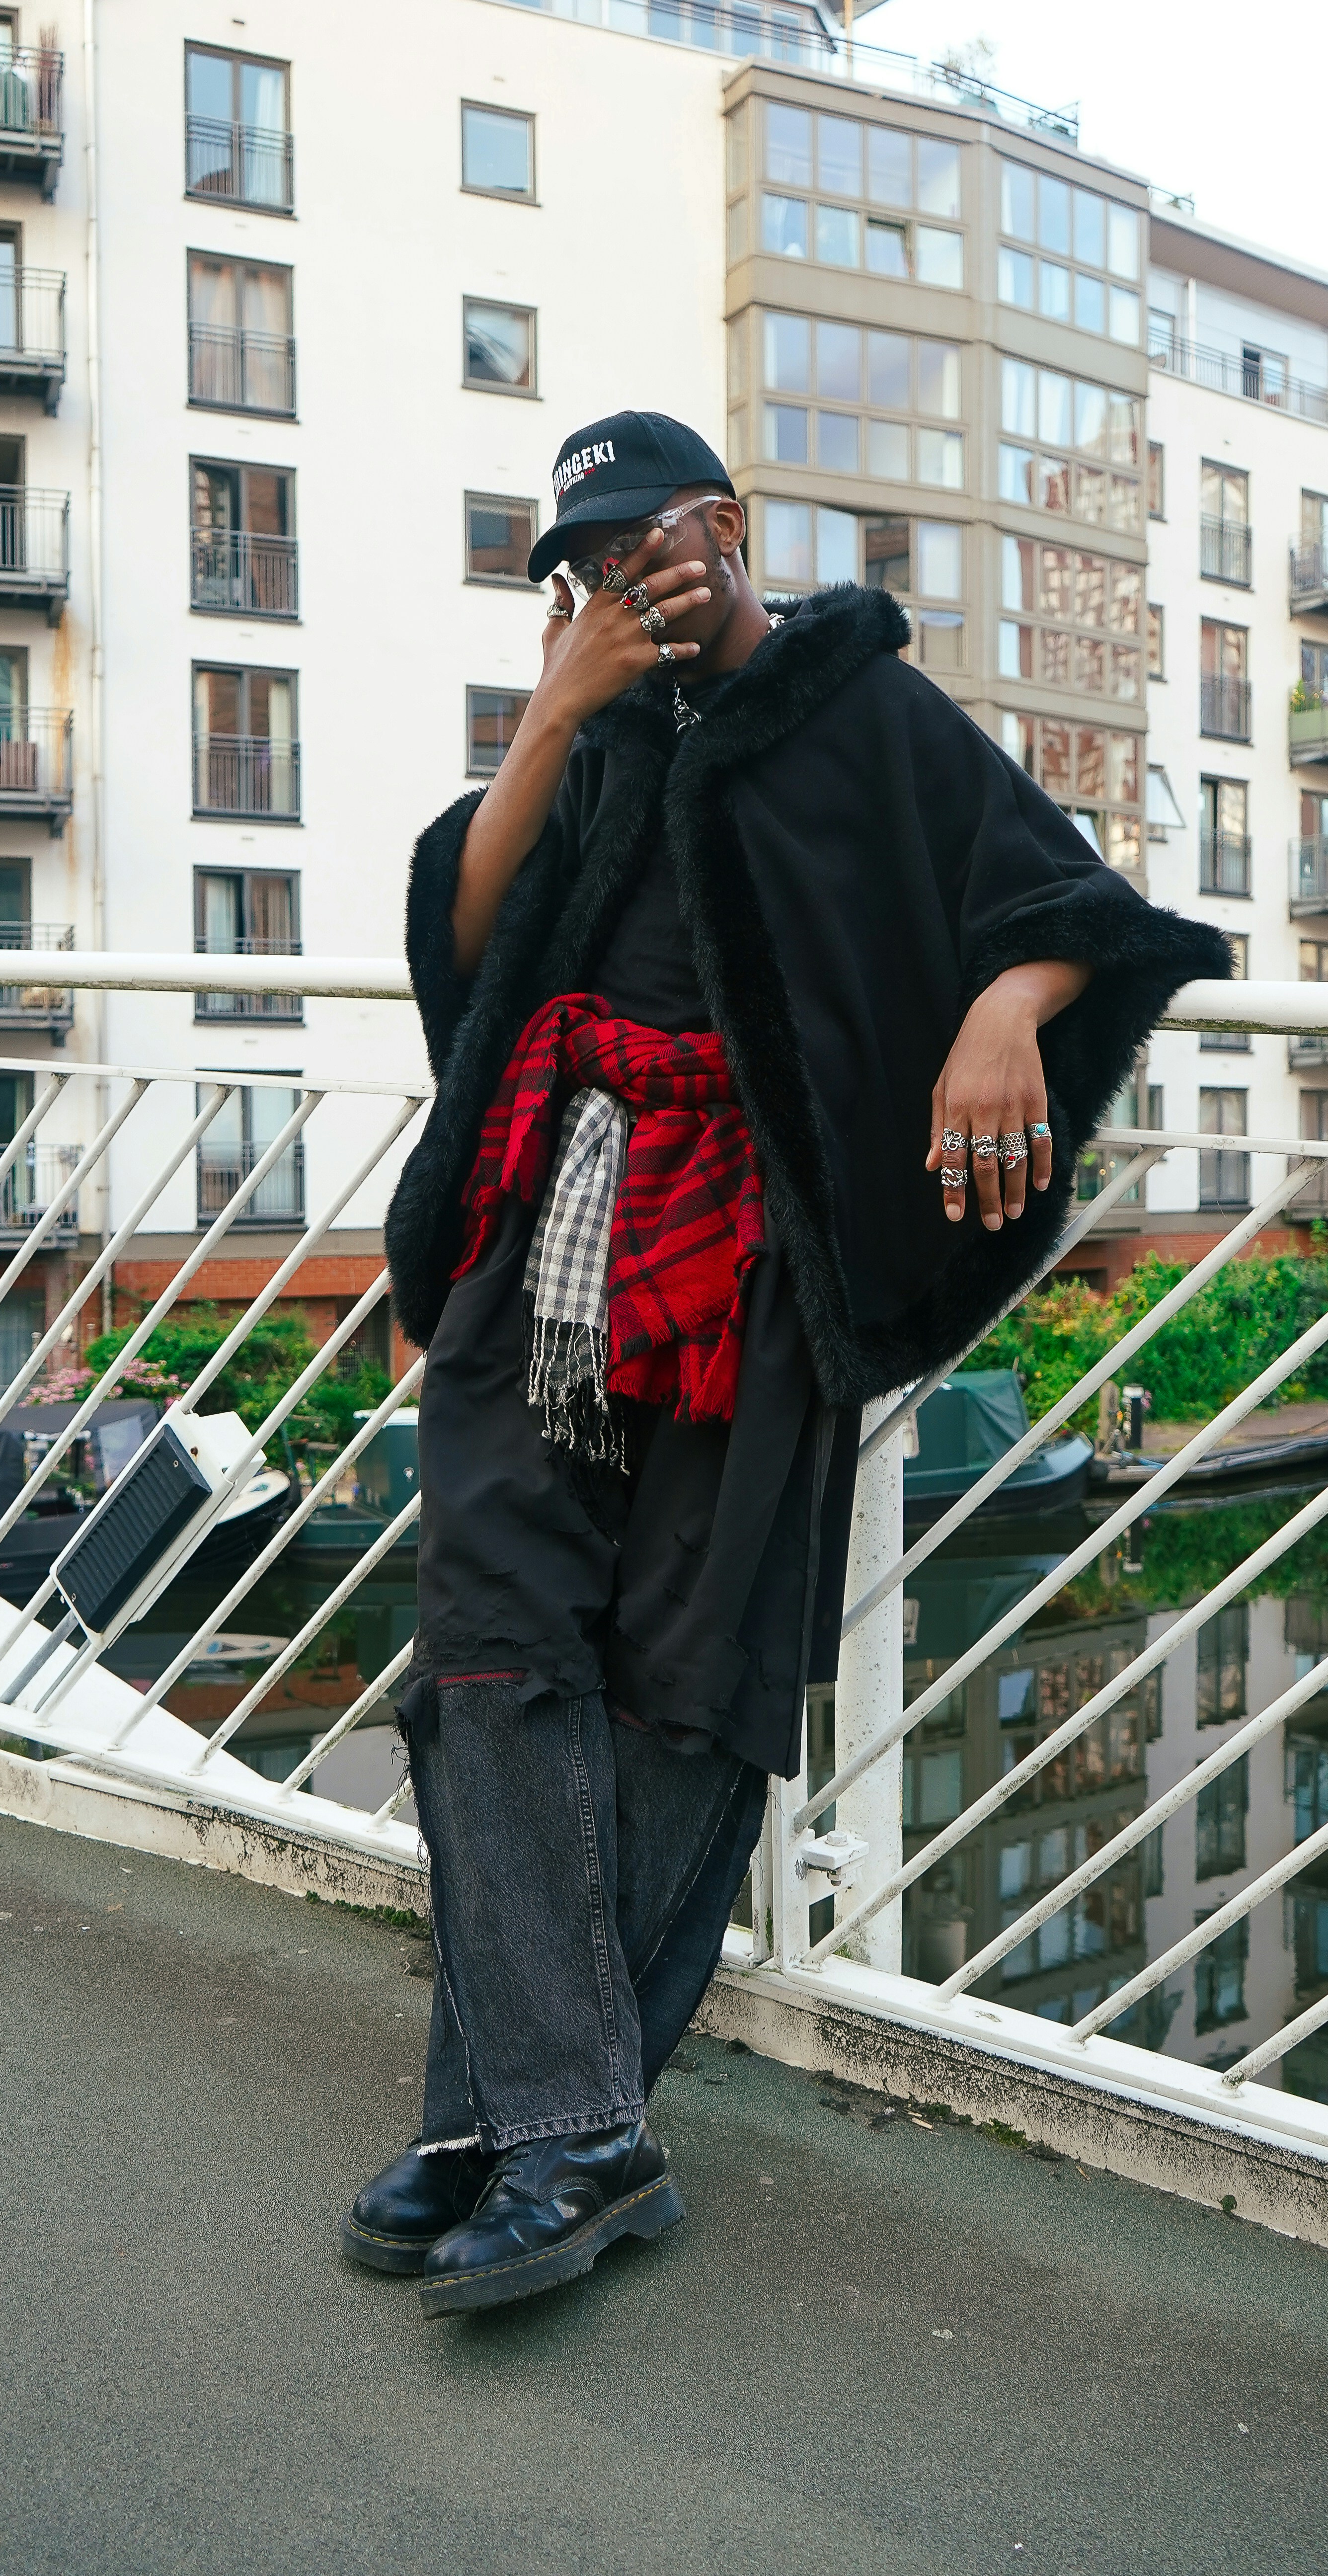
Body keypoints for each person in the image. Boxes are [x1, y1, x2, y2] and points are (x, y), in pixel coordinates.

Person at [346, 410, 1226, 2317]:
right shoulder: (591, 737)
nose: (615, 587)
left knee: (685, 1678)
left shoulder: (862, 708)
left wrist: (1006, 1005)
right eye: (580, 568)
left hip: (752, 1264)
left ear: (728, 531)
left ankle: (518, 2125)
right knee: (489, 1635)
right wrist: (551, 717)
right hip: (550, 1223)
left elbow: (1076, 905)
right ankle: (564, 2119)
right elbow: (468, 939)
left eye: (643, 546)